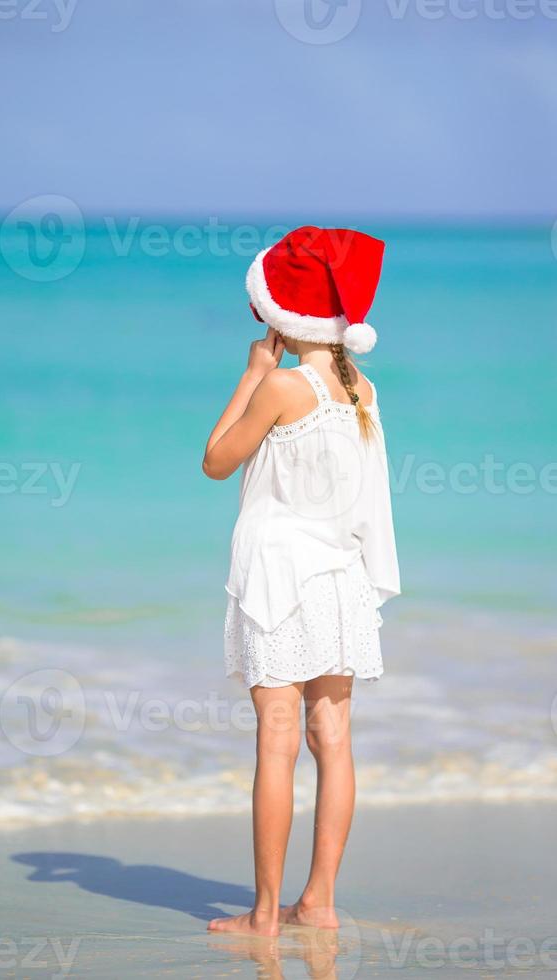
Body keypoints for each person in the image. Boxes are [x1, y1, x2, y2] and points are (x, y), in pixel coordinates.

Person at [202, 226, 400, 937]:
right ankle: (319, 899)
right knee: (335, 738)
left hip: (282, 581)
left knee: (277, 743)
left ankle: (263, 913)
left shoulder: (283, 386)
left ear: (282, 316)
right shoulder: (362, 388)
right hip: (340, 580)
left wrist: (254, 371)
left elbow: (217, 460)